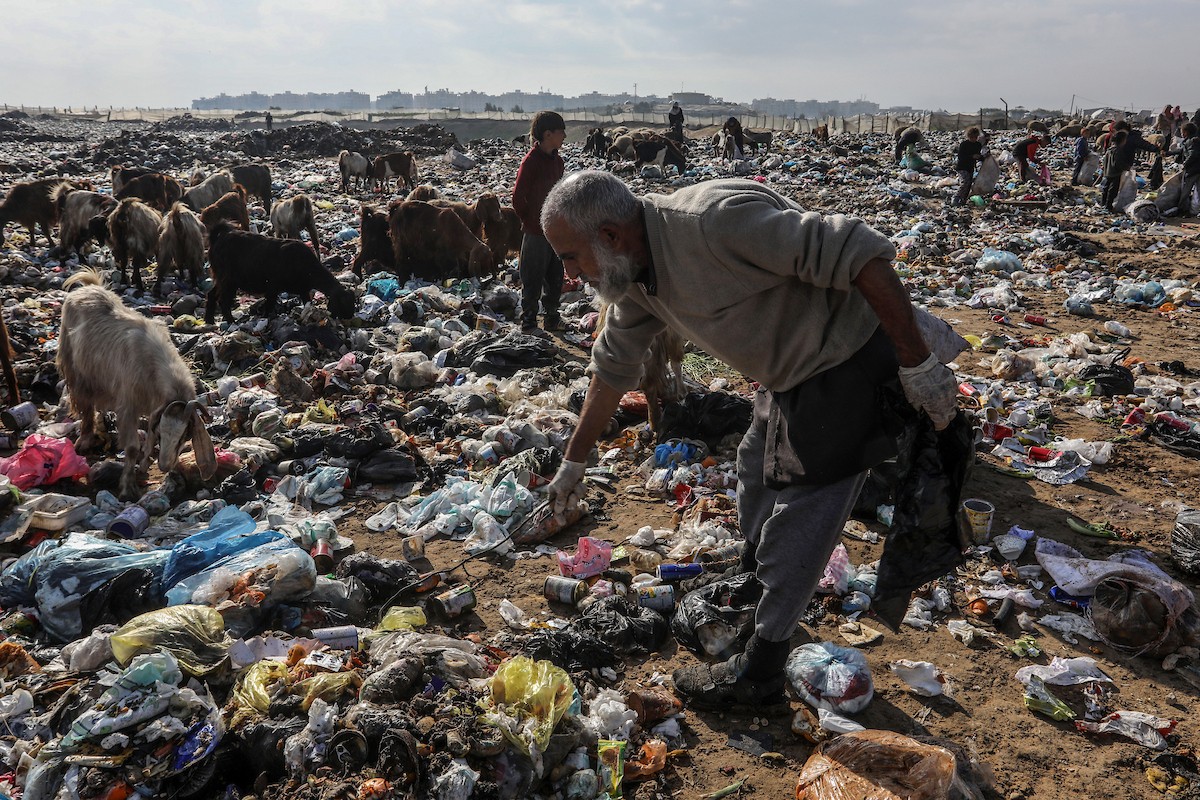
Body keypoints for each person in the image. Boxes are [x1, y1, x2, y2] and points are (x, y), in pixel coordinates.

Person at [539, 171, 959, 710]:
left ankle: (761, 669)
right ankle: (752, 579)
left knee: (801, 525)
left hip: (847, 362)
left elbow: (859, 252)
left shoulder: (712, 224)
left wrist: (917, 361)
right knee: (754, 471)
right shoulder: (636, 276)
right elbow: (612, 367)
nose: (570, 274)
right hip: (786, 375)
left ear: (610, 236)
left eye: (571, 257)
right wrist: (574, 462)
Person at [512, 111, 567, 332]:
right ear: (548, 134)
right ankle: (529, 321)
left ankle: (552, 316)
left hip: (555, 231)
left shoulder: (558, 162)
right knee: (532, 277)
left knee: (555, 277)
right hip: (535, 232)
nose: (564, 137)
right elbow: (518, 197)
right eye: (561, 132)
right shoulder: (531, 162)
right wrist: (530, 221)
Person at [1169, 122, 1200, 216]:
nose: (1181, 133)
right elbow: (1181, 151)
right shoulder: (1192, 140)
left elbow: (1193, 154)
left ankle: (1183, 210)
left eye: (1182, 131)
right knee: (1197, 191)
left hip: (1192, 170)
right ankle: (1194, 210)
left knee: (1185, 191)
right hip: (1196, 169)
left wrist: (1184, 164)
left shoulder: (1192, 141)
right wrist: (1167, 153)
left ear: (1186, 132)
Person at [952, 127, 984, 205]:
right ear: (968, 136)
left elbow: (979, 156)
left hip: (970, 167)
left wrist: (981, 157)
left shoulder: (978, 145)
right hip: (962, 167)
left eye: (975, 137)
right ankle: (955, 198)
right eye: (972, 137)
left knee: (969, 185)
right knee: (965, 182)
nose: (974, 139)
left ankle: (963, 200)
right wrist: (972, 156)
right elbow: (961, 157)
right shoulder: (964, 144)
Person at [1101, 130, 1131, 211]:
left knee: (1106, 188)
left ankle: (1103, 203)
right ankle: (1108, 206)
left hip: (1108, 172)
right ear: (1122, 140)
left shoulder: (1109, 149)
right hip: (1115, 173)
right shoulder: (1118, 151)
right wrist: (1126, 168)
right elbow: (1118, 163)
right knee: (1112, 190)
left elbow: (1105, 161)